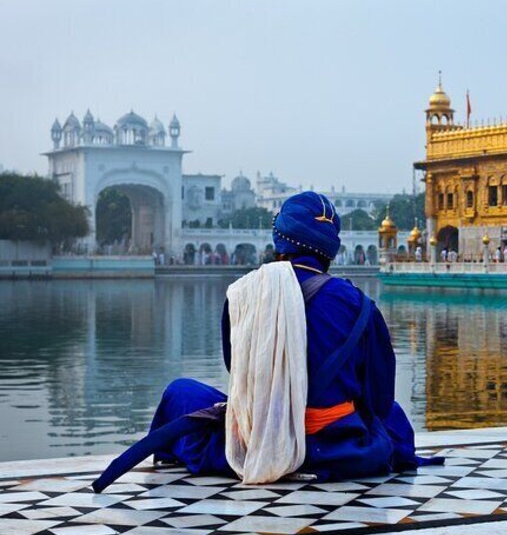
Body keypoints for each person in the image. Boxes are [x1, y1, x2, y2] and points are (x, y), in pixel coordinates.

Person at [93, 192, 441, 492]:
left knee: (181, 392)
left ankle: (203, 455)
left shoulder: (244, 293)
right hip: (336, 446)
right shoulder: (360, 305)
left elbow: (239, 373)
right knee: (391, 415)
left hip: (257, 436)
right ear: (330, 250)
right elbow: (379, 397)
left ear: (280, 242)